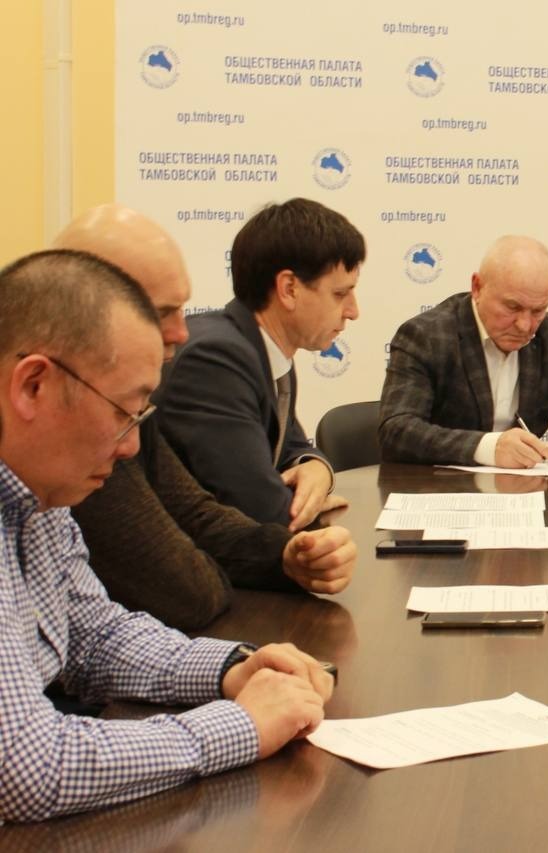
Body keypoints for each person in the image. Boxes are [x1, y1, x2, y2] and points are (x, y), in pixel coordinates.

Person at [0, 249, 332, 821]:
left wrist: (231, 668)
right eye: (124, 413)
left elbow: (94, 637)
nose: (131, 445)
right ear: (33, 386)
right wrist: (241, 726)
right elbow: (28, 769)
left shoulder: (40, 492)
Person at [53, 204, 356, 631]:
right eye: (161, 313)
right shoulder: (81, 429)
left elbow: (198, 514)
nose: (182, 332)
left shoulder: (130, 410)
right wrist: (249, 555)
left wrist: (287, 555)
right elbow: (190, 593)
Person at [156, 198, 364, 528]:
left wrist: (317, 468)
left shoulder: (266, 349)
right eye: (340, 294)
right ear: (289, 289)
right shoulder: (215, 360)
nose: (353, 311)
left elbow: (291, 444)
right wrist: (309, 506)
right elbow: (257, 506)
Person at [379, 235, 548, 467]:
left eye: (538, 310)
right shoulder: (427, 335)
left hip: (525, 492)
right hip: (440, 490)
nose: (525, 325)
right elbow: (397, 430)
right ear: (477, 288)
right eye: (512, 307)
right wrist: (489, 448)